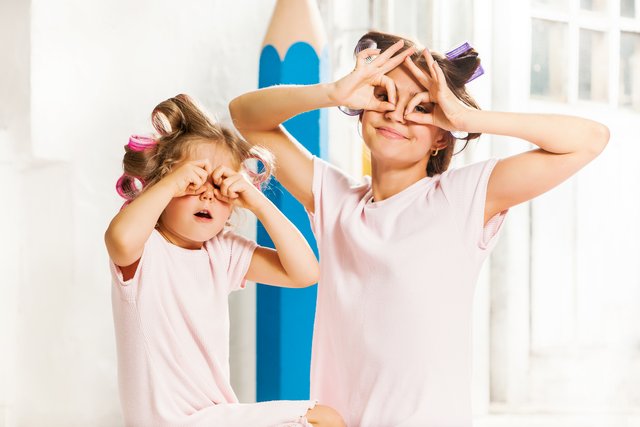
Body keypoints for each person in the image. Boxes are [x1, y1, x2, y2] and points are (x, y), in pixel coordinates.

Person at [229, 31, 610, 427]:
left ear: (441, 136)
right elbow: (245, 116)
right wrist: (335, 93)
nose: (398, 115)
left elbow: (589, 140)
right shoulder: (335, 199)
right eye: (385, 98)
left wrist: (467, 118)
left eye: (422, 107)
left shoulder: (461, 198)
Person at [105, 94, 345, 427]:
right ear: (163, 183)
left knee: (325, 418)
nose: (207, 194)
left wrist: (258, 203)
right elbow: (119, 239)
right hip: (167, 421)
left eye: (220, 187)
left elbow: (305, 272)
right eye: (193, 181)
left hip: (216, 417)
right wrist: (171, 182)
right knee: (323, 418)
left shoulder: (223, 251)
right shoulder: (146, 247)